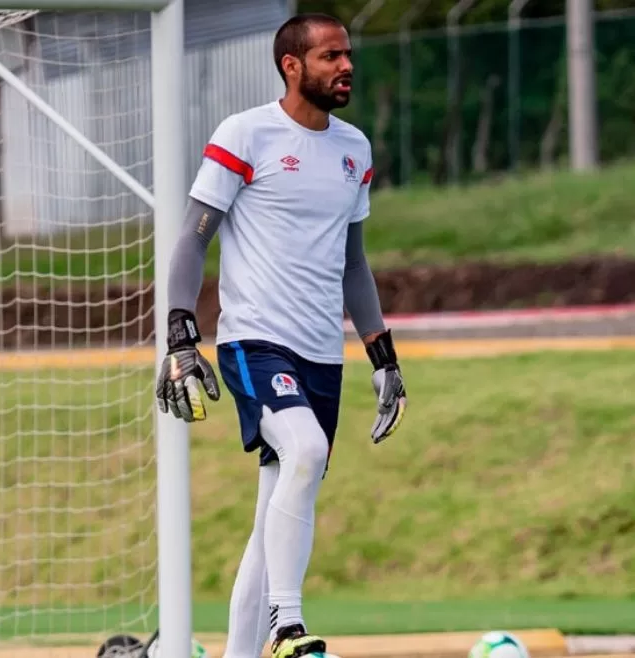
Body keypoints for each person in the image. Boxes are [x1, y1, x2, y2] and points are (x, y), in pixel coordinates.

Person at [154, 12, 408, 658]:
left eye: (348, 55)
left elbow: (354, 263)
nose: (345, 66)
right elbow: (192, 237)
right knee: (305, 447)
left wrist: (384, 357)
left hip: (323, 357)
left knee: (273, 521)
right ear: (291, 66)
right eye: (330, 57)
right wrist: (181, 335)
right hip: (254, 344)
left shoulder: (356, 150)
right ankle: (287, 629)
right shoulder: (246, 134)